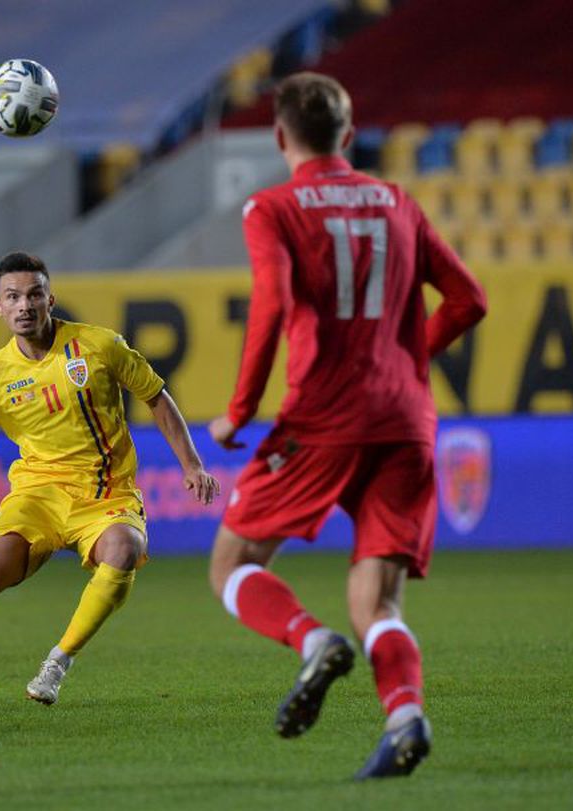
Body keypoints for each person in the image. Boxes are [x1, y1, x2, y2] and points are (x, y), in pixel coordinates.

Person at [206, 72, 487, 779]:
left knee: (233, 564)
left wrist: (239, 411)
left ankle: (311, 640)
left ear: (279, 137)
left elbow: (270, 306)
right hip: (405, 419)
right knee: (378, 597)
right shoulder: (397, 200)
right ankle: (404, 717)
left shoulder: (272, 207)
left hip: (322, 418)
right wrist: (405, 359)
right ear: (350, 133)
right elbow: (469, 300)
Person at [0, 251, 220, 715]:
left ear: (51, 298)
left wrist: (191, 465)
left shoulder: (99, 346)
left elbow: (157, 397)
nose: (24, 305)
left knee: (124, 548)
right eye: (13, 297)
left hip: (104, 493)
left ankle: (58, 661)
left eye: (33, 294)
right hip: (37, 495)